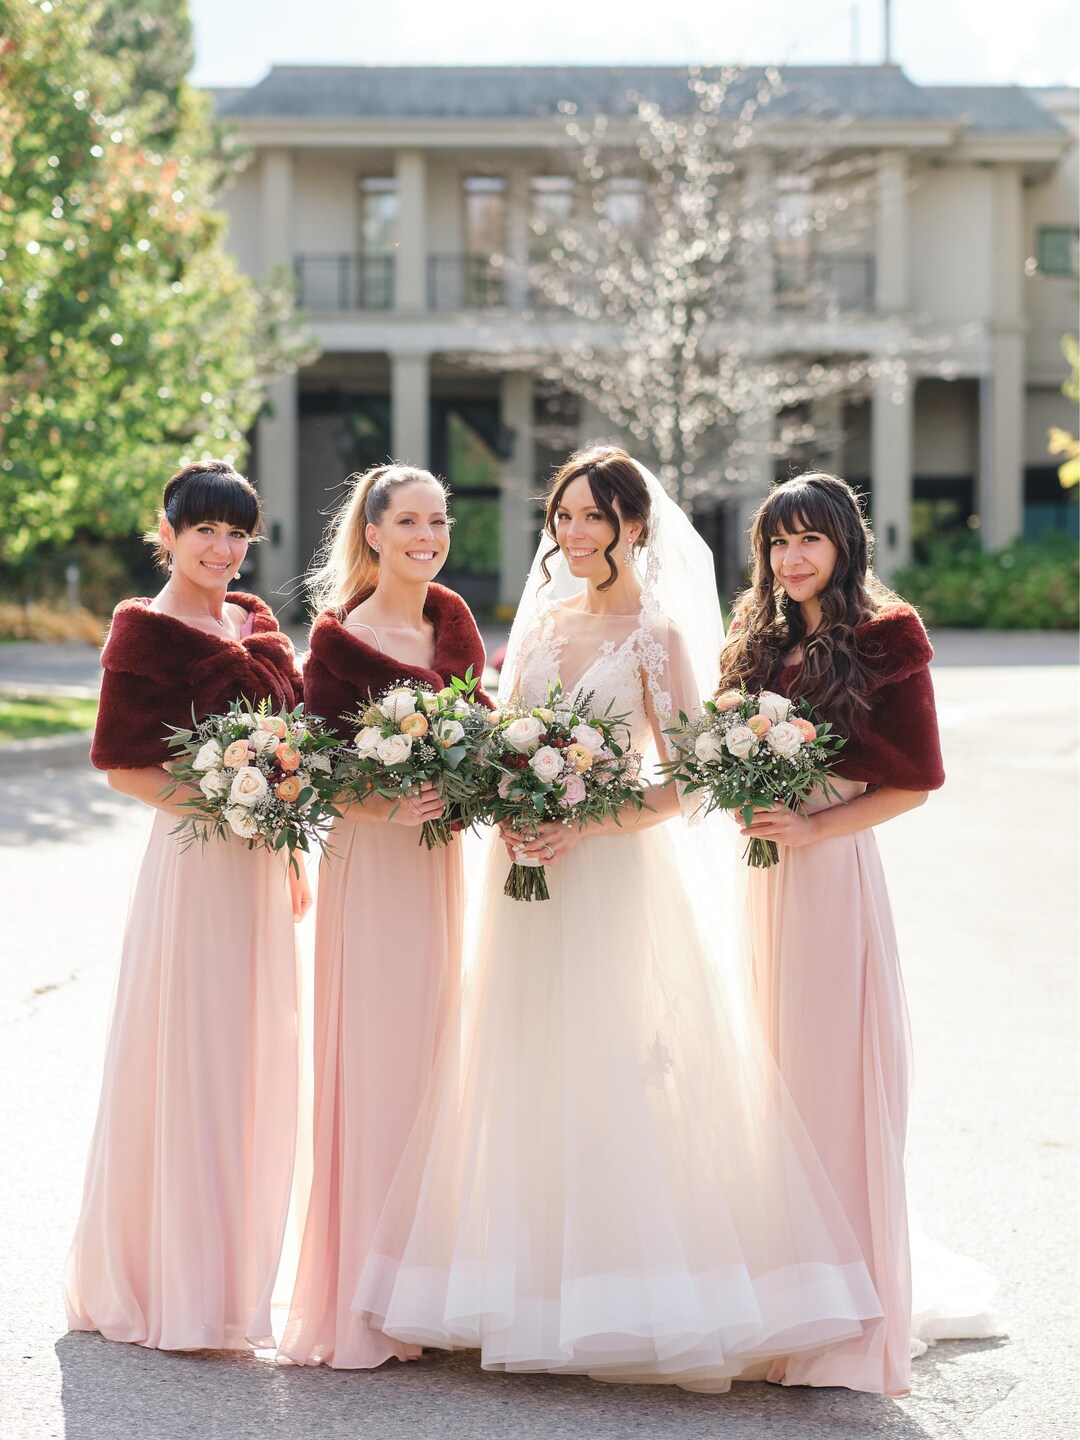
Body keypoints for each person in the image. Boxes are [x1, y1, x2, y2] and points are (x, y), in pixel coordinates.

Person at [354, 446, 883, 1390]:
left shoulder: (659, 635)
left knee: (614, 1067)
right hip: (527, 877)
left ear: (635, 526)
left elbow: (687, 781)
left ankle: (625, 1289)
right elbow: (499, 741)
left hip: (613, 878)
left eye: (595, 516)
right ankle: (524, 1283)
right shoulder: (545, 621)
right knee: (524, 1059)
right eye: (563, 517)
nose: (576, 533)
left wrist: (586, 822)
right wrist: (515, 809)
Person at [717, 470, 991, 1395]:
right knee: (767, 1080)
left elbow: (912, 783)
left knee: (831, 1081)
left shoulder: (885, 639)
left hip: (830, 875)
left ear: (844, 544)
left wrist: (812, 827)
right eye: (777, 543)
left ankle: (846, 1320)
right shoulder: (755, 639)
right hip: (760, 880)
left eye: (810, 541)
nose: (792, 559)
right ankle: (777, 1295)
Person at [65, 460, 308, 1351]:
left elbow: (291, 739)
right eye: (204, 529)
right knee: (195, 1057)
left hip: (259, 863)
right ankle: (173, 1282)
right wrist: (231, 806)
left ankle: (233, 1277)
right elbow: (126, 765)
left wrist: (280, 835)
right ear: (165, 533)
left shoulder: (257, 622)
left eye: (237, 532)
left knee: (253, 1057)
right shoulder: (146, 630)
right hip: (197, 863)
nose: (222, 548)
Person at [279, 463, 490, 1369]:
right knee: (376, 1062)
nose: (426, 535)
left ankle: (426, 1288)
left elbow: (481, 729)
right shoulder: (339, 640)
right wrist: (383, 805)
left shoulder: (455, 625)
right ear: (372, 533)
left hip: (439, 864)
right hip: (372, 866)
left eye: (437, 520)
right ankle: (361, 1297)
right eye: (407, 520)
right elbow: (315, 771)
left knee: (439, 1058)